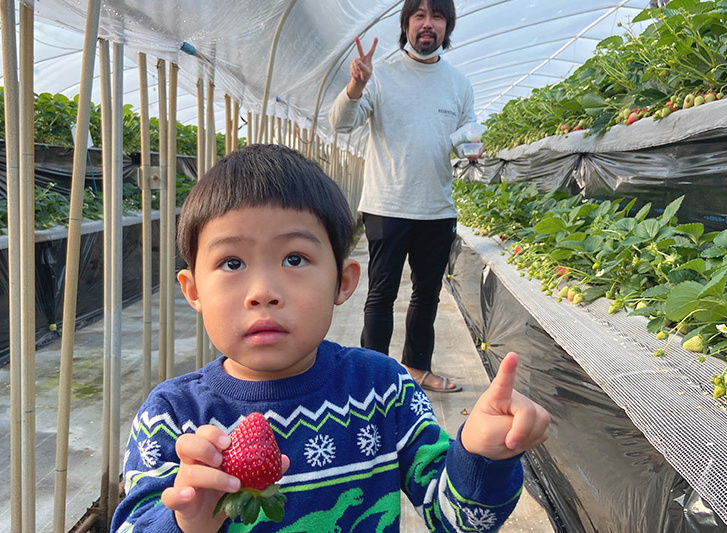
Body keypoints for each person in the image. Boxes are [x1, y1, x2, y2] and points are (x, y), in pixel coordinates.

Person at [110, 144, 550, 532]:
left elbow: (456, 519)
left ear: (343, 281)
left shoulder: (383, 391)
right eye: (232, 263)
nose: (263, 292)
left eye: (294, 258)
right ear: (193, 291)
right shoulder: (172, 417)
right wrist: (184, 523)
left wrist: (483, 457)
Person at [329, 0, 479, 393]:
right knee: (381, 295)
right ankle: (372, 378)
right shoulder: (381, 76)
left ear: (447, 26)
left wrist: (471, 148)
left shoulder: (458, 84)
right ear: (406, 24)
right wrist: (356, 85)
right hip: (387, 205)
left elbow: (467, 134)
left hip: (437, 208)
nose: (428, 24)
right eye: (420, 16)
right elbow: (341, 123)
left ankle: (416, 369)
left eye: (437, 17)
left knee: (426, 295)